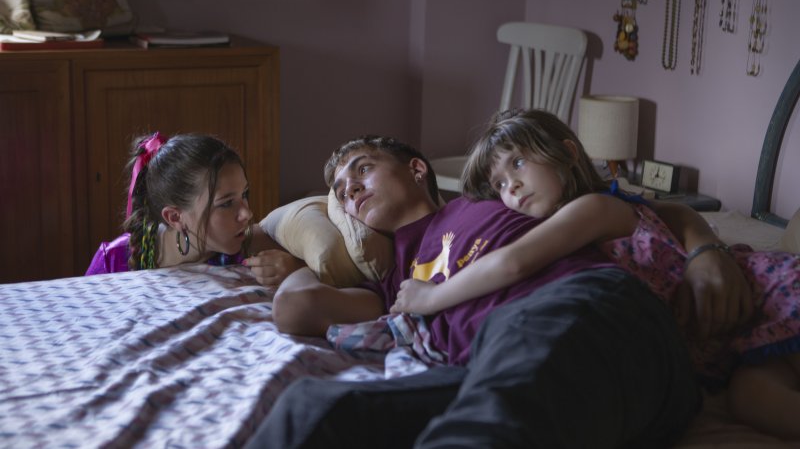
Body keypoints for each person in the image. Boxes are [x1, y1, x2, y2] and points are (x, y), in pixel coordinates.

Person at [244, 133, 747, 448]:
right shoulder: (394, 285)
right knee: (312, 407)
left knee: (490, 420)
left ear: (416, 169)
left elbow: (645, 207)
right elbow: (296, 308)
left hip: (588, 313)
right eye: (340, 191)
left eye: (362, 168)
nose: (349, 189)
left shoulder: (490, 197)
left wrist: (707, 250)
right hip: (499, 368)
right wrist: (302, 254)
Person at [390, 108, 800, 440]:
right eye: (498, 184)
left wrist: (430, 297)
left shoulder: (593, 208)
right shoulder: (590, 214)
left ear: (568, 154)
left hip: (770, 293)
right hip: (741, 330)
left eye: (519, 162)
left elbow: (513, 262)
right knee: (753, 398)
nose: (510, 186)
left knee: (754, 400)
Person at [85, 132, 300, 287]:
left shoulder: (254, 247)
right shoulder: (113, 260)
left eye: (244, 194)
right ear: (175, 217)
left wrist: (295, 269)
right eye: (226, 203)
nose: (247, 213)